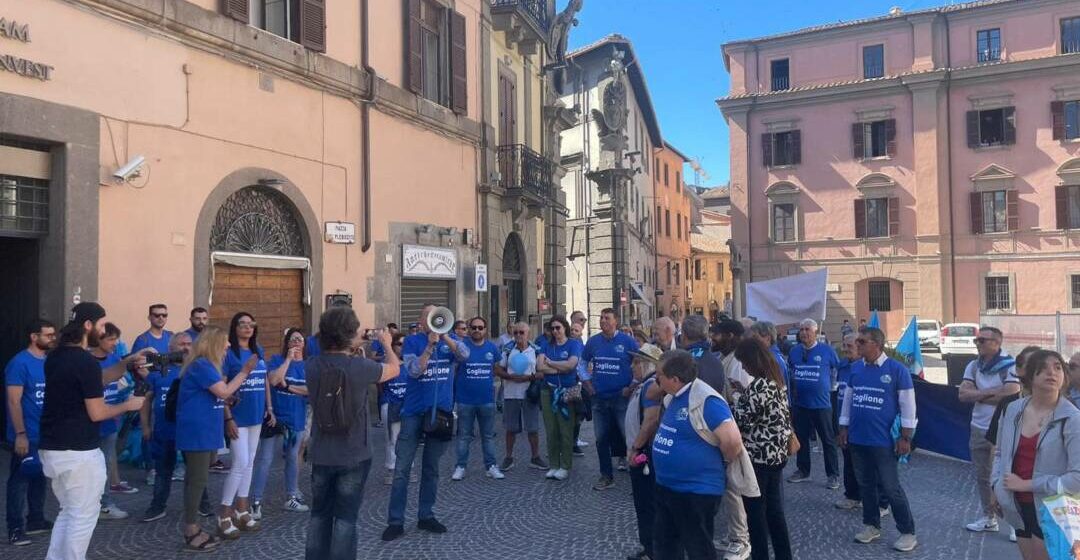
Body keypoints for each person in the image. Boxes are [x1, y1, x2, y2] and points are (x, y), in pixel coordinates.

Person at [38, 302, 148, 560]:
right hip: (78, 452)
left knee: (68, 511)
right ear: (88, 325)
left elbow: (96, 379)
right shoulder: (84, 361)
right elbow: (97, 413)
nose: (103, 329)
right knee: (83, 516)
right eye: (100, 324)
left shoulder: (55, 356)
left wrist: (126, 362)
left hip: (53, 448)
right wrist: (128, 405)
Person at [304, 307, 403, 560]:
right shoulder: (361, 367)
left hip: (321, 453)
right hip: (353, 452)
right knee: (346, 518)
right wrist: (386, 343)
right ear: (349, 334)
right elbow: (394, 369)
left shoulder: (312, 365)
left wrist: (353, 347)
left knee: (319, 515)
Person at [383, 305, 469, 542]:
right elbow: (413, 371)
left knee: (431, 469)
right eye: (428, 317)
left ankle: (426, 515)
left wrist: (445, 338)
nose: (433, 321)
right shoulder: (412, 342)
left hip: (439, 413)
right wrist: (430, 346)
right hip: (413, 412)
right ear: (421, 321)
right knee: (402, 469)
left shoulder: (449, 340)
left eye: (436, 316)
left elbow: (465, 355)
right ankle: (395, 521)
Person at [651, 350, 745, 560]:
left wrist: (722, 461)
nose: (656, 380)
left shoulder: (707, 400)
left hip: (695, 491)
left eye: (659, 376)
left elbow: (732, 440)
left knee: (698, 549)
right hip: (668, 487)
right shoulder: (674, 396)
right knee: (666, 545)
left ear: (674, 379)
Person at [992, 350, 1080, 560]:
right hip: (1017, 506)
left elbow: (1077, 479)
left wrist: (1027, 484)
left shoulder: (1073, 419)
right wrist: (995, 486)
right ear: (1031, 376)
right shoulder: (1012, 409)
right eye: (1044, 368)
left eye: (1058, 367)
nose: (1052, 373)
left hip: (1054, 510)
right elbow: (1000, 453)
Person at [838, 326, 918, 552]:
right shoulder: (855, 370)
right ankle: (871, 524)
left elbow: (908, 405)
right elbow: (848, 401)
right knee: (866, 486)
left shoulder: (897, 370)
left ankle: (907, 531)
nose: (858, 345)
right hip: (858, 439)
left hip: (884, 441)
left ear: (876, 344)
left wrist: (906, 437)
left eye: (862, 342)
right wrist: (843, 427)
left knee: (891, 488)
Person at [175, 326, 253, 552]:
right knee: (197, 481)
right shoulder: (202, 365)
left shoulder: (206, 366)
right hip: (197, 431)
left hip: (205, 430)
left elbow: (219, 395)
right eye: (225, 343)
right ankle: (191, 530)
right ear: (213, 344)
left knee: (197, 478)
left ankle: (194, 526)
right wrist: (245, 371)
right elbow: (224, 391)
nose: (229, 346)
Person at [140, 332, 212, 522]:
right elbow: (146, 401)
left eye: (189, 344)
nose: (186, 347)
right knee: (163, 472)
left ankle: (202, 504)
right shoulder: (158, 372)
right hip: (165, 432)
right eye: (182, 344)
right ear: (171, 348)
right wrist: (146, 426)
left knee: (196, 472)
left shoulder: (197, 370)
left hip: (190, 432)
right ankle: (157, 506)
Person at [732, 338, 794, 560]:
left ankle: (760, 556)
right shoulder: (775, 381)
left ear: (752, 361)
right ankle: (784, 555)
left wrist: (738, 398)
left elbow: (742, 421)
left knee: (756, 514)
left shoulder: (759, 386)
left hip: (759, 457)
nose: (743, 367)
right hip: (776, 455)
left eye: (744, 362)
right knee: (775, 512)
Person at [958, 326, 1020, 534]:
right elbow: (962, 395)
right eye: (977, 340)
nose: (978, 344)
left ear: (997, 343)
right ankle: (989, 517)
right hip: (978, 427)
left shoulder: (1010, 366)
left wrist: (978, 393)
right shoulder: (973, 366)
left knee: (1005, 476)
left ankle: (1014, 523)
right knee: (982, 476)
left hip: (1003, 429)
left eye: (982, 340)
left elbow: (1010, 395)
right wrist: (993, 393)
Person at [218, 312, 270, 537]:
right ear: (235, 327)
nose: (248, 328)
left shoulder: (259, 350)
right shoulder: (229, 353)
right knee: (239, 462)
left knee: (249, 463)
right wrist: (227, 417)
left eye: (251, 324)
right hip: (237, 417)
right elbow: (221, 387)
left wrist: (270, 408)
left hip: (256, 414)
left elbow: (265, 380)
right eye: (243, 324)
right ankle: (224, 513)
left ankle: (242, 508)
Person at [5, 319, 56, 546]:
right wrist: (20, 433)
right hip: (26, 434)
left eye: (54, 334)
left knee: (39, 477)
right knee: (19, 481)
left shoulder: (49, 361)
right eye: (48, 335)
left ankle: (36, 519)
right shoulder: (19, 363)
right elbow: (14, 401)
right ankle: (15, 528)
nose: (52, 338)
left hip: (45, 433)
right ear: (34, 337)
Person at [251, 328, 311, 519]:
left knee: (293, 458)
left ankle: (291, 496)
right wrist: (288, 360)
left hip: (296, 418)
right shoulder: (277, 360)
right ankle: (256, 501)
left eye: (299, 339)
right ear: (286, 343)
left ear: (304, 344)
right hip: (274, 418)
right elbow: (273, 379)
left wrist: (288, 386)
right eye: (292, 339)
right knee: (266, 459)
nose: (296, 342)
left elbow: (309, 390)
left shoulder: (308, 366)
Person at [707, 318, 752, 560]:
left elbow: (742, 401)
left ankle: (740, 539)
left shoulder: (738, 364)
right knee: (730, 487)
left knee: (735, 487)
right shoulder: (727, 360)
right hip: (728, 429)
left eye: (717, 334)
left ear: (732, 336)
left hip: (735, 432)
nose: (713, 338)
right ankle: (736, 533)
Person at [582, 308, 640, 491]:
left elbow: (640, 363)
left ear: (616, 321)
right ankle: (606, 476)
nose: (603, 321)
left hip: (621, 399)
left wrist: (632, 385)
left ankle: (637, 478)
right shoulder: (593, 342)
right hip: (599, 398)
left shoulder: (627, 341)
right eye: (601, 317)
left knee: (629, 438)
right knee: (601, 439)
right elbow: (582, 364)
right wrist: (587, 383)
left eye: (607, 318)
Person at [832, 333, 887, 515]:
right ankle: (853, 496)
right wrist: (841, 425)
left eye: (851, 346)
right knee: (849, 462)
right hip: (847, 424)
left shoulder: (867, 368)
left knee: (874, 466)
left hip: (869, 427)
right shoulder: (842, 366)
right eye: (845, 346)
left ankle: (880, 502)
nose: (846, 349)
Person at [787, 318, 841, 489]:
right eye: (801, 329)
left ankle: (833, 475)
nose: (803, 333)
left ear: (815, 332)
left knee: (828, 440)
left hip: (822, 404)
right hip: (800, 404)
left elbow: (836, 370)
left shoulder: (827, 351)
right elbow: (790, 372)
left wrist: (831, 387)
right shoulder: (794, 351)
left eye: (807, 329)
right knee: (801, 438)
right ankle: (803, 471)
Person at [91, 323, 136, 521]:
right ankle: (90, 505)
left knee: (107, 465)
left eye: (115, 339)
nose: (114, 343)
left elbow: (123, 384)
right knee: (90, 468)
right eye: (110, 339)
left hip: (110, 420)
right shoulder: (86, 361)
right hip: (90, 423)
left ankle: (105, 504)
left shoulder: (115, 359)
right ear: (98, 339)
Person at [451, 317, 504, 481]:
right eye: (473, 327)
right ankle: (460, 467)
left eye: (480, 328)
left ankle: (491, 466)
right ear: (469, 329)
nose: (477, 330)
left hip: (486, 399)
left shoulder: (492, 348)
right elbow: (455, 370)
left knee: (487, 436)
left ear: (485, 330)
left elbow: (496, 368)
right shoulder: (462, 347)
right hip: (465, 400)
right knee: (464, 437)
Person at [623, 343, 662, 560]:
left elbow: (650, 421)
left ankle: (653, 550)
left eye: (637, 362)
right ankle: (649, 546)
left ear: (648, 364)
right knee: (644, 504)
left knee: (647, 503)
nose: (632, 366)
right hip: (641, 452)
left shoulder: (650, 387)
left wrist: (636, 448)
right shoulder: (644, 385)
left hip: (644, 454)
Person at [495, 322, 547, 472]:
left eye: (521, 332)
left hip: (530, 394)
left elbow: (542, 371)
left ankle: (535, 457)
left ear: (528, 334)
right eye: (516, 332)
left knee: (532, 428)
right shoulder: (507, 349)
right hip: (511, 394)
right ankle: (508, 457)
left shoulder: (536, 350)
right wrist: (509, 376)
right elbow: (498, 368)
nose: (518, 335)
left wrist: (528, 377)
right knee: (510, 428)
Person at [538, 316, 583, 480]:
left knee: (565, 429)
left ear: (564, 328)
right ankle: (554, 464)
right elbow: (539, 367)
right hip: (548, 391)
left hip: (567, 391)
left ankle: (565, 465)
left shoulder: (574, 344)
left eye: (558, 328)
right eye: (553, 328)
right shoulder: (546, 345)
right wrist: (559, 369)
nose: (555, 331)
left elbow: (571, 365)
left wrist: (551, 363)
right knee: (551, 430)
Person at [379, 334, 410, 485]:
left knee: (408, 439)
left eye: (405, 344)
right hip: (390, 404)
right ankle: (391, 470)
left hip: (407, 406)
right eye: (399, 344)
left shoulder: (411, 363)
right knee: (392, 439)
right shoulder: (386, 364)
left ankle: (406, 468)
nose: (402, 347)